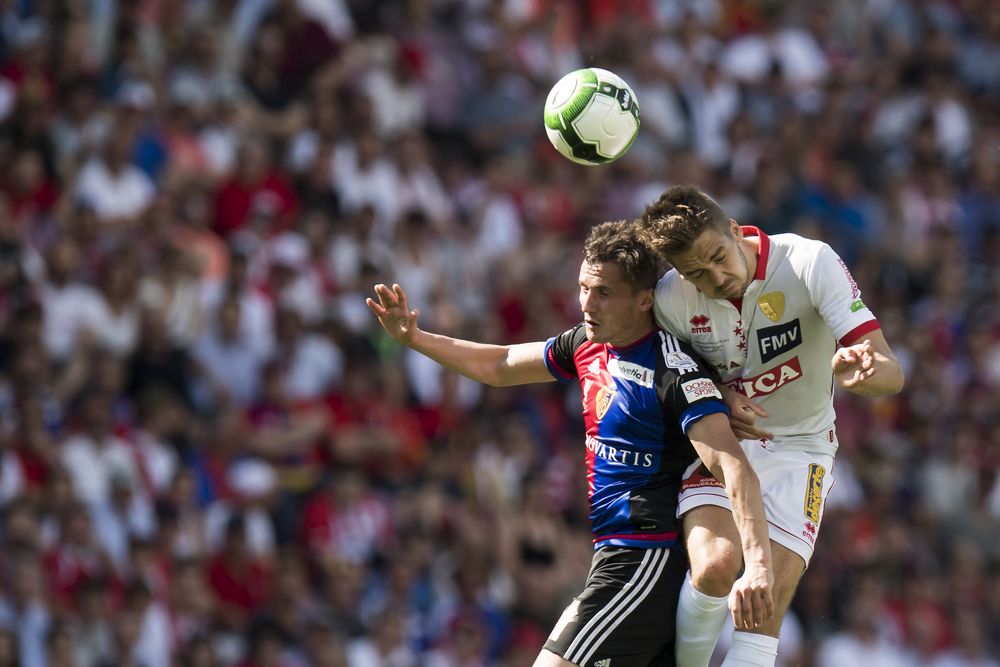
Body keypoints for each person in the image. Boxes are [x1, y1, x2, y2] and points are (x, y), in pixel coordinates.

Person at [367, 221, 775, 667]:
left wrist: (756, 564)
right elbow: (502, 364)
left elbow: (734, 468)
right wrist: (415, 338)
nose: (586, 303)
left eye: (602, 292)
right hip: (613, 553)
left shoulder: (673, 371)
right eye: (583, 287)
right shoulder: (585, 344)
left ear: (643, 300)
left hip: (646, 557)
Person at [636, 185, 905, 667]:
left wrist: (863, 371)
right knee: (717, 568)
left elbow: (890, 371)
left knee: (762, 609)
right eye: (698, 273)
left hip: (804, 448)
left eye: (719, 256)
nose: (717, 278)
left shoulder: (809, 262)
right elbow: (669, 381)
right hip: (725, 445)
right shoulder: (671, 300)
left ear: (737, 231)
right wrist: (716, 395)